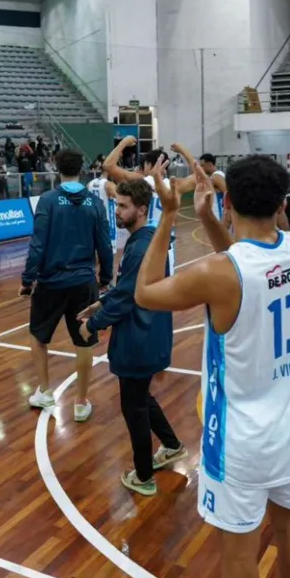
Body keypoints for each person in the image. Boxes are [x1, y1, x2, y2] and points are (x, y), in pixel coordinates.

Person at [134, 155, 290, 578]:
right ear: (281, 202)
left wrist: (169, 216)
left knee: (239, 553)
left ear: (229, 200)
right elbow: (243, 258)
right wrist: (208, 217)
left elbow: (145, 291)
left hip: (242, 437)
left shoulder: (217, 275)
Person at [77, 179, 185, 496]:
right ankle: (173, 444)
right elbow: (125, 288)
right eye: (116, 204)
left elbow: (127, 298)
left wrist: (94, 323)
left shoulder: (140, 247)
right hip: (151, 333)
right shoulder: (149, 238)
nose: (117, 211)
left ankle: (143, 476)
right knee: (141, 397)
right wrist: (101, 301)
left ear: (141, 209)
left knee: (133, 406)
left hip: (139, 337)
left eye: (123, 206)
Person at [21, 149, 114, 422]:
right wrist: (106, 279)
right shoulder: (95, 204)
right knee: (84, 340)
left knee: (38, 336)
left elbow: (37, 245)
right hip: (84, 283)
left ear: (55, 167)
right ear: (82, 168)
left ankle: (45, 391)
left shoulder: (48, 201)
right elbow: (105, 247)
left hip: (51, 282)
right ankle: (81, 402)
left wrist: (27, 280)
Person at [102, 136, 198, 274]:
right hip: (165, 241)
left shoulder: (139, 182)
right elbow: (197, 176)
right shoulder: (174, 184)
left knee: (134, 283)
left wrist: (124, 143)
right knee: (162, 286)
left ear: (147, 164)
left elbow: (108, 166)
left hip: (142, 238)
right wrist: (183, 151)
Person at [87, 171, 126, 255]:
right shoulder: (109, 185)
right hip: (107, 223)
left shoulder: (90, 183)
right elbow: (123, 198)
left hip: (93, 222)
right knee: (109, 255)